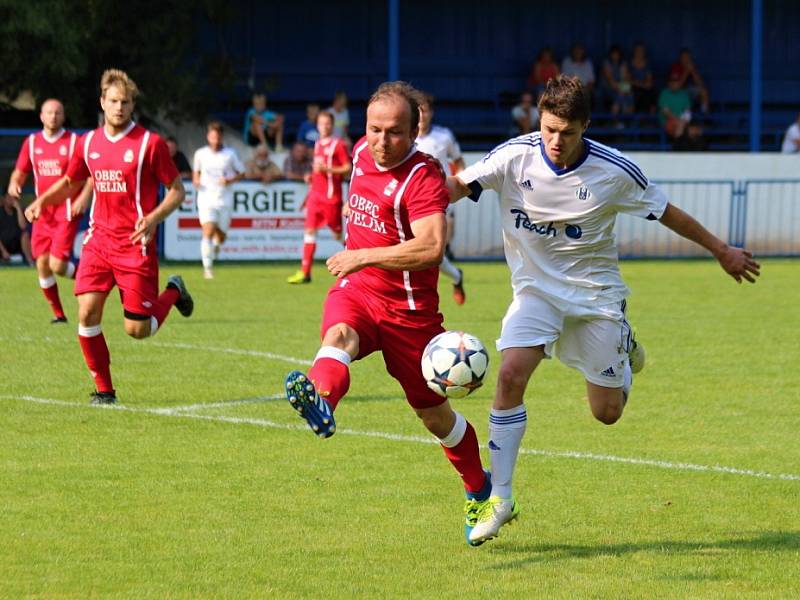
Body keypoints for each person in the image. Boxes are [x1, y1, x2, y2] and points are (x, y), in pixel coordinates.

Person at [447, 76, 760, 545]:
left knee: (607, 413)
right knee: (510, 375)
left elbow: (667, 212)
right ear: (540, 120)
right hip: (535, 293)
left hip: (595, 299)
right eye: (549, 129)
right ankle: (501, 499)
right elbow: (456, 187)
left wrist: (720, 250)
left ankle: (624, 341)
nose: (556, 141)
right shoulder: (513, 157)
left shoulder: (614, 172)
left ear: (585, 126)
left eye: (567, 132)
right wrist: (407, 204)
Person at [283, 81, 491, 545]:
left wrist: (364, 254)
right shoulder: (359, 152)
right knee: (338, 337)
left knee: (436, 419)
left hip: (410, 314)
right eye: (374, 129)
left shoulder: (422, 178)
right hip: (358, 291)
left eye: (394, 132)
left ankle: (480, 488)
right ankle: (322, 402)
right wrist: (358, 263)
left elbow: (432, 247)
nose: (381, 140)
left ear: (415, 132)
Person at [24, 68, 195, 406]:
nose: (119, 107)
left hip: (135, 246)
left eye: (126, 102)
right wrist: (42, 200)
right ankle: (105, 391)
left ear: (133, 106)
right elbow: (72, 182)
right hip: (98, 242)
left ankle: (174, 292)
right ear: (102, 102)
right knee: (87, 313)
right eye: (114, 101)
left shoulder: (150, 143)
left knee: (138, 330)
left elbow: (177, 191)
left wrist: (153, 218)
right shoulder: (88, 143)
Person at [7, 98, 93, 323]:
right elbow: (19, 172)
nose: (53, 117)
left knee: (56, 264)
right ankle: (59, 314)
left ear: (63, 116)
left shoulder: (75, 141)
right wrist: (13, 185)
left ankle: (90, 280)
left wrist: (84, 196)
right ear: (41, 116)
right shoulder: (32, 143)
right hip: (42, 212)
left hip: (66, 211)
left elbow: (93, 173)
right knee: (42, 264)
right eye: (49, 113)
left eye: (57, 113)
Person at [287, 110, 351, 284]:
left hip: (331, 197)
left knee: (338, 234)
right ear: (317, 125)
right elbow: (319, 171)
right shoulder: (317, 144)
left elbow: (347, 168)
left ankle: (360, 263)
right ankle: (305, 272)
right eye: (321, 123)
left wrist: (328, 170)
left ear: (332, 125)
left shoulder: (338, 145)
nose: (324, 126)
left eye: (328, 123)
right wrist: (311, 177)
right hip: (315, 195)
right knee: (309, 231)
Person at [415, 92, 467, 304]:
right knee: (427, 254)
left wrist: (462, 184)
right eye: (417, 111)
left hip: (440, 199)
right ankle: (456, 276)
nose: (421, 115)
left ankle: (424, 297)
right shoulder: (405, 138)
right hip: (412, 201)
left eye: (425, 110)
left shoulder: (443, 136)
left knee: (432, 252)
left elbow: (459, 161)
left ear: (431, 112)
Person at [192, 121, 246, 279]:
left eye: (218, 136)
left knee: (220, 236)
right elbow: (196, 173)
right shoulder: (200, 154)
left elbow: (241, 173)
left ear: (221, 137)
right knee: (207, 230)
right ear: (208, 137)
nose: (215, 139)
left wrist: (229, 180)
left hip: (224, 199)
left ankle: (215, 247)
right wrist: (196, 181)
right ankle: (207, 268)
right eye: (212, 136)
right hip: (206, 197)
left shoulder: (230, 154)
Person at [668, 48, 710, 114]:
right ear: (680, 58)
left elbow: (700, 84)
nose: (686, 59)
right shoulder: (676, 67)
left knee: (703, 91)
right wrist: (686, 72)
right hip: (677, 92)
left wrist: (693, 71)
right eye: (684, 57)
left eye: (688, 57)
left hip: (688, 91)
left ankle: (705, 115)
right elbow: (677, 87)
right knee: (684, 95)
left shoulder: (691, 66)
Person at [599, 45, 634, 121]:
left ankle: (627, 121)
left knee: (629, 93)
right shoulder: (607, 63)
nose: (615, 56)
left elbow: (625, 80)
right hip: (607, 90)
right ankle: (613, 121)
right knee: (622, 93)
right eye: (613, 54)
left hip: (619, 89)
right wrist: (625, 87)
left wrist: (626, 87)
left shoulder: (623, 64)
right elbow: (612, 84)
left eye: (617, 54)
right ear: (610, 55)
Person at [0, 195, 33, 265]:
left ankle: (31, 263)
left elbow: (23, 227)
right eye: (9, 197)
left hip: (16, 245)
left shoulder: (18, 212)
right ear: (4, 199)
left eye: (13, 198)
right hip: (2, 246)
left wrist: (18, 208)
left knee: (25, 235)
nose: (11, 200)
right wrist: (3, 251)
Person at [658, 73, 692, 139]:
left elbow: (687, 110)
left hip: (682, 122)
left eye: (676, 82)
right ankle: (679, 145)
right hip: (667, 121)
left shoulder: (684, 94)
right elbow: (666, 112)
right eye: (672, 82)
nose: (674, 84)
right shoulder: (664, 93)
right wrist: (678, 120)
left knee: (694, 130)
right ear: (669, 83)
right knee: (679, 127)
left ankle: (679, 145)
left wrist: (684, 120)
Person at [629, 42, 657, 114]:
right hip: (630, 87)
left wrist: (638, 83)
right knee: (624, 89)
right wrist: (641, 85)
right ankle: (624, 120)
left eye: (641, 51)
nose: (639, 53)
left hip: (642, 88)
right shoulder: (628, 63)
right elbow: (627, 80)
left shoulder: (647, 64)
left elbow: (649, 82)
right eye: (637, 50)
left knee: (651, 91)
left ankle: (647, 119)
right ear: (634, 51)